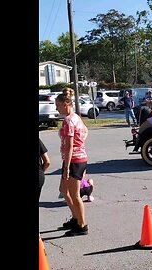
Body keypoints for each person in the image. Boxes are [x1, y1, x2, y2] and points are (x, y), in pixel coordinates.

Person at [55, 88, 89, 236]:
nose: (56, 108)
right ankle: (75, 217)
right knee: (63, 190)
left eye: (58, 105)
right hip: (74, 158)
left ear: (66, 104)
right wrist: (80, 143)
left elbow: (69, 145)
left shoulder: (69, 121)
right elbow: (85, 131)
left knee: (75, 195)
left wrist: (67, 167)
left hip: (74, 160)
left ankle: (82, 225)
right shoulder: (76, 117)